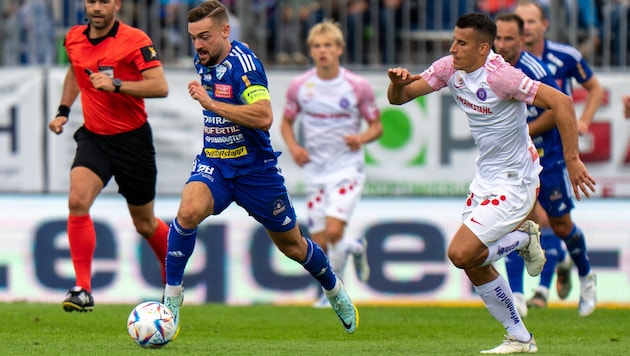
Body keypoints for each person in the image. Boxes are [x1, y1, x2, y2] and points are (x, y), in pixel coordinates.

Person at [387, 13, 595, 353]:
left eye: (462, 43)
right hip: (486, 177)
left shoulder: (502, 77)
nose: (453, 48)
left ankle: (523, 239)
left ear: (484, 48)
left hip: (517, 180)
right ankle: (521, 337)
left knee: (460, 252)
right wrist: (397, 82)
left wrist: (572, 160)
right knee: (472, 262)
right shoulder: (449, 68)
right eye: (454, 40)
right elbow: (399, 98)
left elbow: (562, 102)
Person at [161, 0, 358, 338]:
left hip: (256, 172)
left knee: (293, 246)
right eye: (193, 38)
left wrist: (210, 103)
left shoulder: (246, 68)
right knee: (188, 212)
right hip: (216, 164)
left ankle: (332, 287)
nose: (198, 46)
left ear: (226, 31)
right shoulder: (205, 57)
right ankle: (171, 302)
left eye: (205, 37)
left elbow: (264, 116)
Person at [48, 0, 170, 312]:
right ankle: (83, 290)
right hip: (95, 138)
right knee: (77, 201)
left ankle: (173, 279)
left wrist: (116, 84)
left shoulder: (136, 40)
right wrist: (63, 111)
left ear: (116, 4)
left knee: (144, 223)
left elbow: (160, 86)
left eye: (104, 1)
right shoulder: (74, 37)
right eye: (91, 1)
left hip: (133, 141)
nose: (97, 7)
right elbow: (75, 73)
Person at [280, 19, 383, 307]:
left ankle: (333, 295)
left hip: (347, 168)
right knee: (321, 242)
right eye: (316, 46)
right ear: (310, 51)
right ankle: (354, 248)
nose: (322, 50)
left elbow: (377, 127)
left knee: (335, 230)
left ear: (340, 49)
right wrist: (294, 147)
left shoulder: (356, 86)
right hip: (315, 170)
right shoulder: (301, 86)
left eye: (328, 45)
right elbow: (286, 123)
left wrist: (360, 138)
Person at [515, 0, 602, 316]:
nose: (525, 28)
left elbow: (594, 88)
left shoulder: (564, 57)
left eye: (531, 21)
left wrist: (584, 121)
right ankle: (520, 294)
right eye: (520, 22)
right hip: (519, 154)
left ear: (544, 25)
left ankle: (585, 274)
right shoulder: (506, 63)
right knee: (523, 218)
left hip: (552, 149)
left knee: (560, 223)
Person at [494, 12, 571, 319]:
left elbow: (560, 104)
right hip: (506, 159)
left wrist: (526, 131)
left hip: (542, 155)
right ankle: (518, 294)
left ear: (522, 38)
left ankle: (547, 281)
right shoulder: (484, 67)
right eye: (496, 38)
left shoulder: (534, 68)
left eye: (508, 38)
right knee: (516, 220)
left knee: (551, 223)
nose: (501, 44)